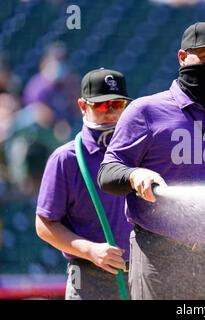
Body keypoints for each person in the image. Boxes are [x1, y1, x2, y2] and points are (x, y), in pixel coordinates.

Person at [98, 22, 205, 300]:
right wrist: (135, 176)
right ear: (183, 58)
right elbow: (107, 172)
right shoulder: (145, 111)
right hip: (160, 255)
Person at [35, 68, 133, 300]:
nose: (110, 112)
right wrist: (90, 250)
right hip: (89, 277)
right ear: (82, 105)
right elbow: (43, 224)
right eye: (100, 105)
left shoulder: (139, 151)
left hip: (141, 273)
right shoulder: (65, 159)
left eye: (117, 104)